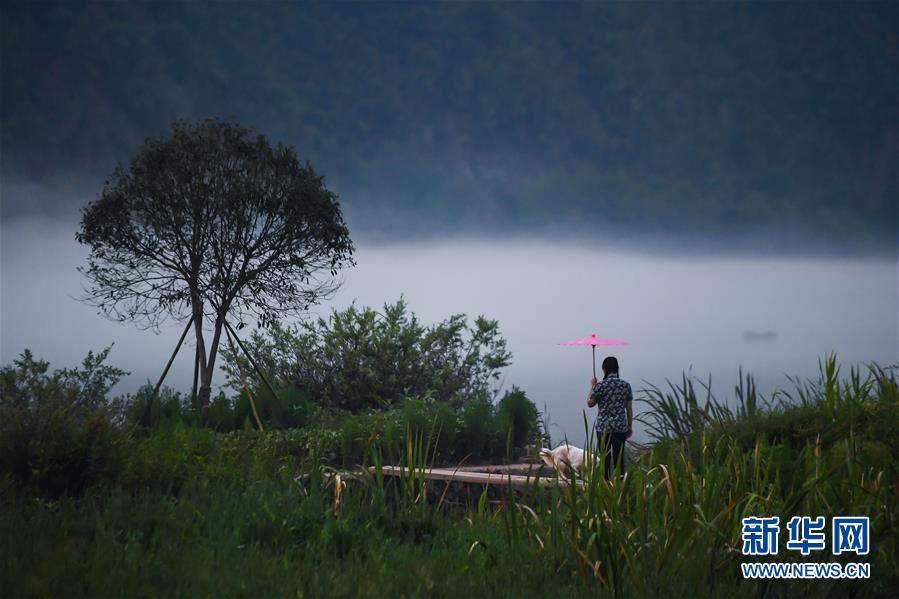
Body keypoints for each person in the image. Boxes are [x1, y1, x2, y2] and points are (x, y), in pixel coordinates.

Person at [586, 356, 633, 479]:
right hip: (620, 428)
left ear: (604, 369)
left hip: (603, 429)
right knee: (619, 460)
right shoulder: (626, 385)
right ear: (617, 369)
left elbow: (590, 403)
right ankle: (621, 488)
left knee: (605, 461)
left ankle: (605, 487)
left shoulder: (600, 386)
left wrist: (592, 386)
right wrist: (629, 427)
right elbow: (629, 408)